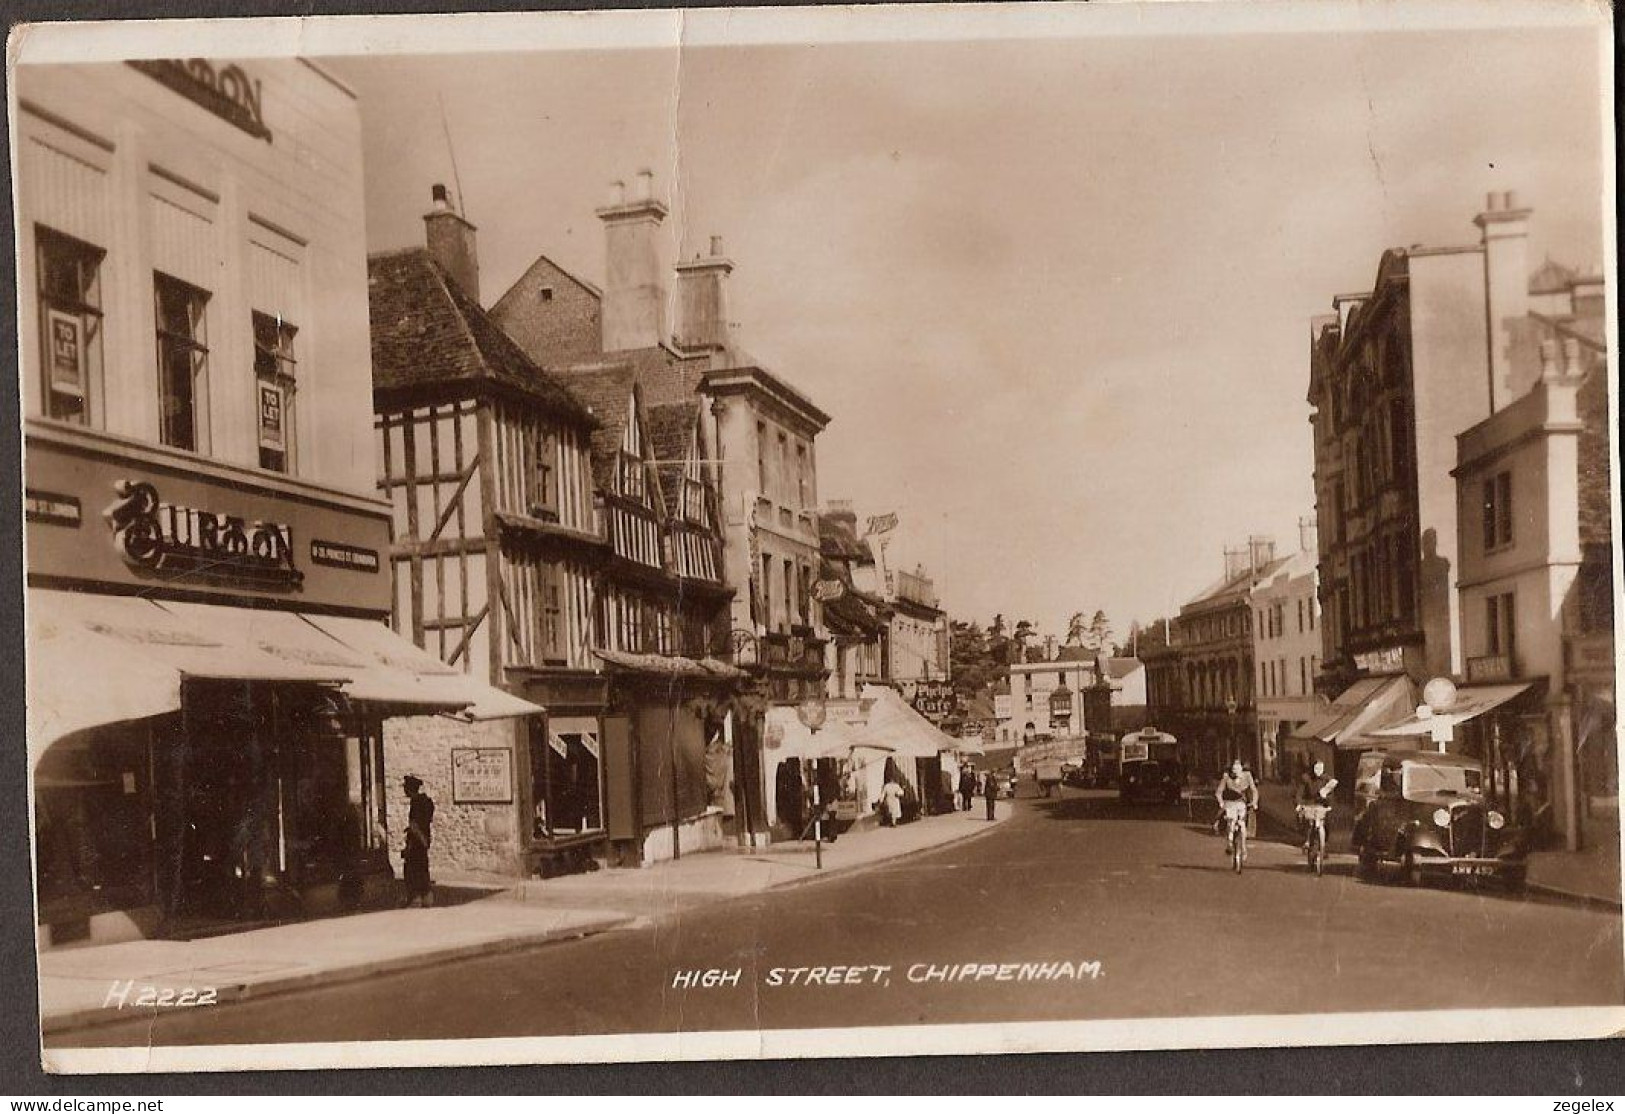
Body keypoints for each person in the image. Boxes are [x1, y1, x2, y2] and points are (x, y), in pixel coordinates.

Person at [401, 774, 436, 907]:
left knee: (412, 869)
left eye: (406, 788)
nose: (404, 791)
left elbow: (415, 825)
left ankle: (415, 897)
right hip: (423, 838)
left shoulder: (416, 803)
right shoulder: (426, 802)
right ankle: (426, 897)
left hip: (417, 841)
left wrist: (415, 840)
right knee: (422, 867)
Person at [1213, 759, 1257, 858]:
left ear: (1241, 768)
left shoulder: (1247, 776)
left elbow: (1254, 790)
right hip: (1229, 803)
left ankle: (1244, 848)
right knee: (1231, 823)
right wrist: (1221, 802)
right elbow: (1219, 792)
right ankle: (1229, 844)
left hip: (1242, 803)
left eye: (1237, 769)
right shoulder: (1226, 777)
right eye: (1233, 769)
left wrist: (1254, 802)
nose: (1235, 771)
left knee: (1242, 824)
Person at [1296, 758, 1338, 850]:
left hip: (1322, 804)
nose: (1318, 771)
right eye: (1316, 768)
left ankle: (1324, 843)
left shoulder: (1327, 779)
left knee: (1327, 821)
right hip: (1310, 804)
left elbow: (1331, 794)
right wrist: (1299, 804)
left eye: (1320, 769)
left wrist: (1328, 803)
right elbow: (1299, 793)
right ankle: (1307, 840)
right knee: (1308, 822)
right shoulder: (1306, 778)